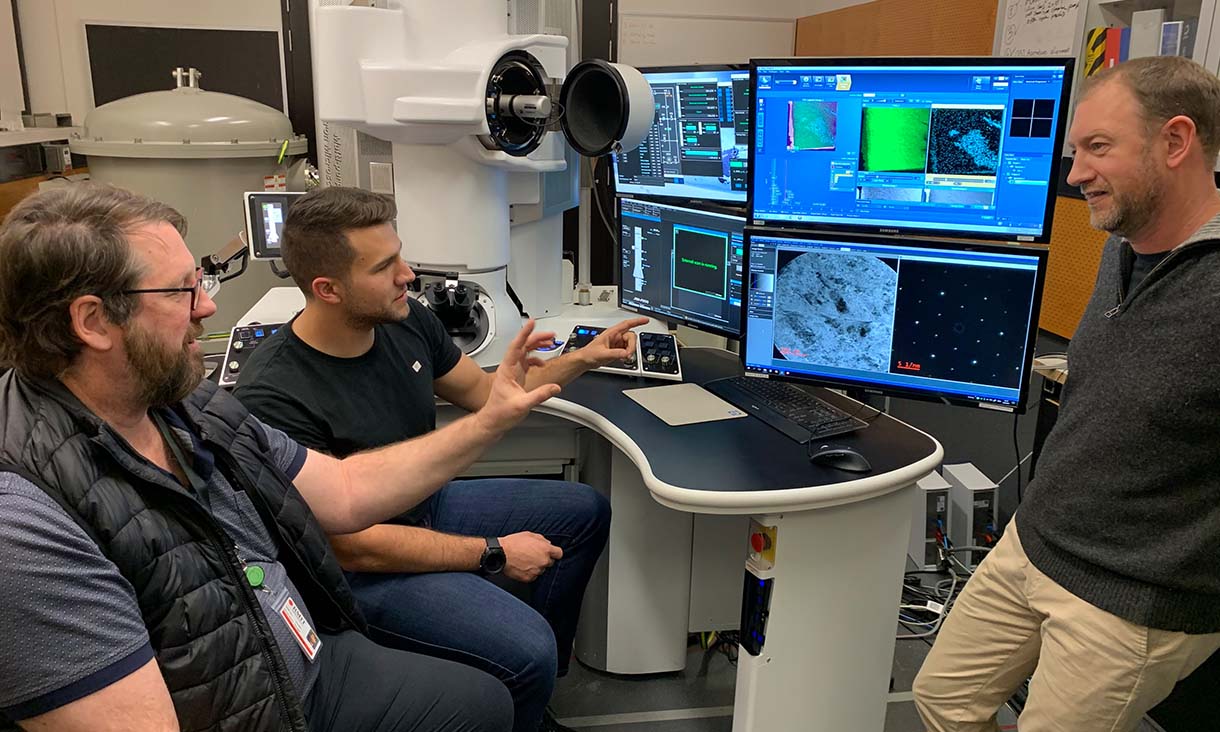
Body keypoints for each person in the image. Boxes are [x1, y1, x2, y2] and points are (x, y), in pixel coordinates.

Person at [0, 184, 565, 731]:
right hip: (254, 707)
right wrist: (489, 553)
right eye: (180, 292)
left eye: (200, 280)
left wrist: (492, 418)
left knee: (484, 703)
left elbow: (343, 491)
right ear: (94, 322)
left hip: (297, 658)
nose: (208, 305)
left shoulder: (188, 405)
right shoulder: (23, 529)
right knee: (507, 673)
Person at [233, 186, 646, 732]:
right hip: (357, 575)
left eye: (400, 254)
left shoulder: (403, 320)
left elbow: (488, 394)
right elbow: (353, 546)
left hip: (425, 509)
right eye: (385, 266)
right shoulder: (272, 394)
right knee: (526, 647)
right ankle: (522, 672)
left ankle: (529, 694)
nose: (407, 275)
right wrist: (492, 552)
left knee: (585, 512)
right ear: (327, 289)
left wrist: (582, 359)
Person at [912, 55, 1220, 731]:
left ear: (1176, 142)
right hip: (1036, 541)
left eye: (1098, 149)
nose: (1075, 174)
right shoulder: (1124, 241)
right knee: (942, 700)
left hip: (1130, 598)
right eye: (1075, 150)